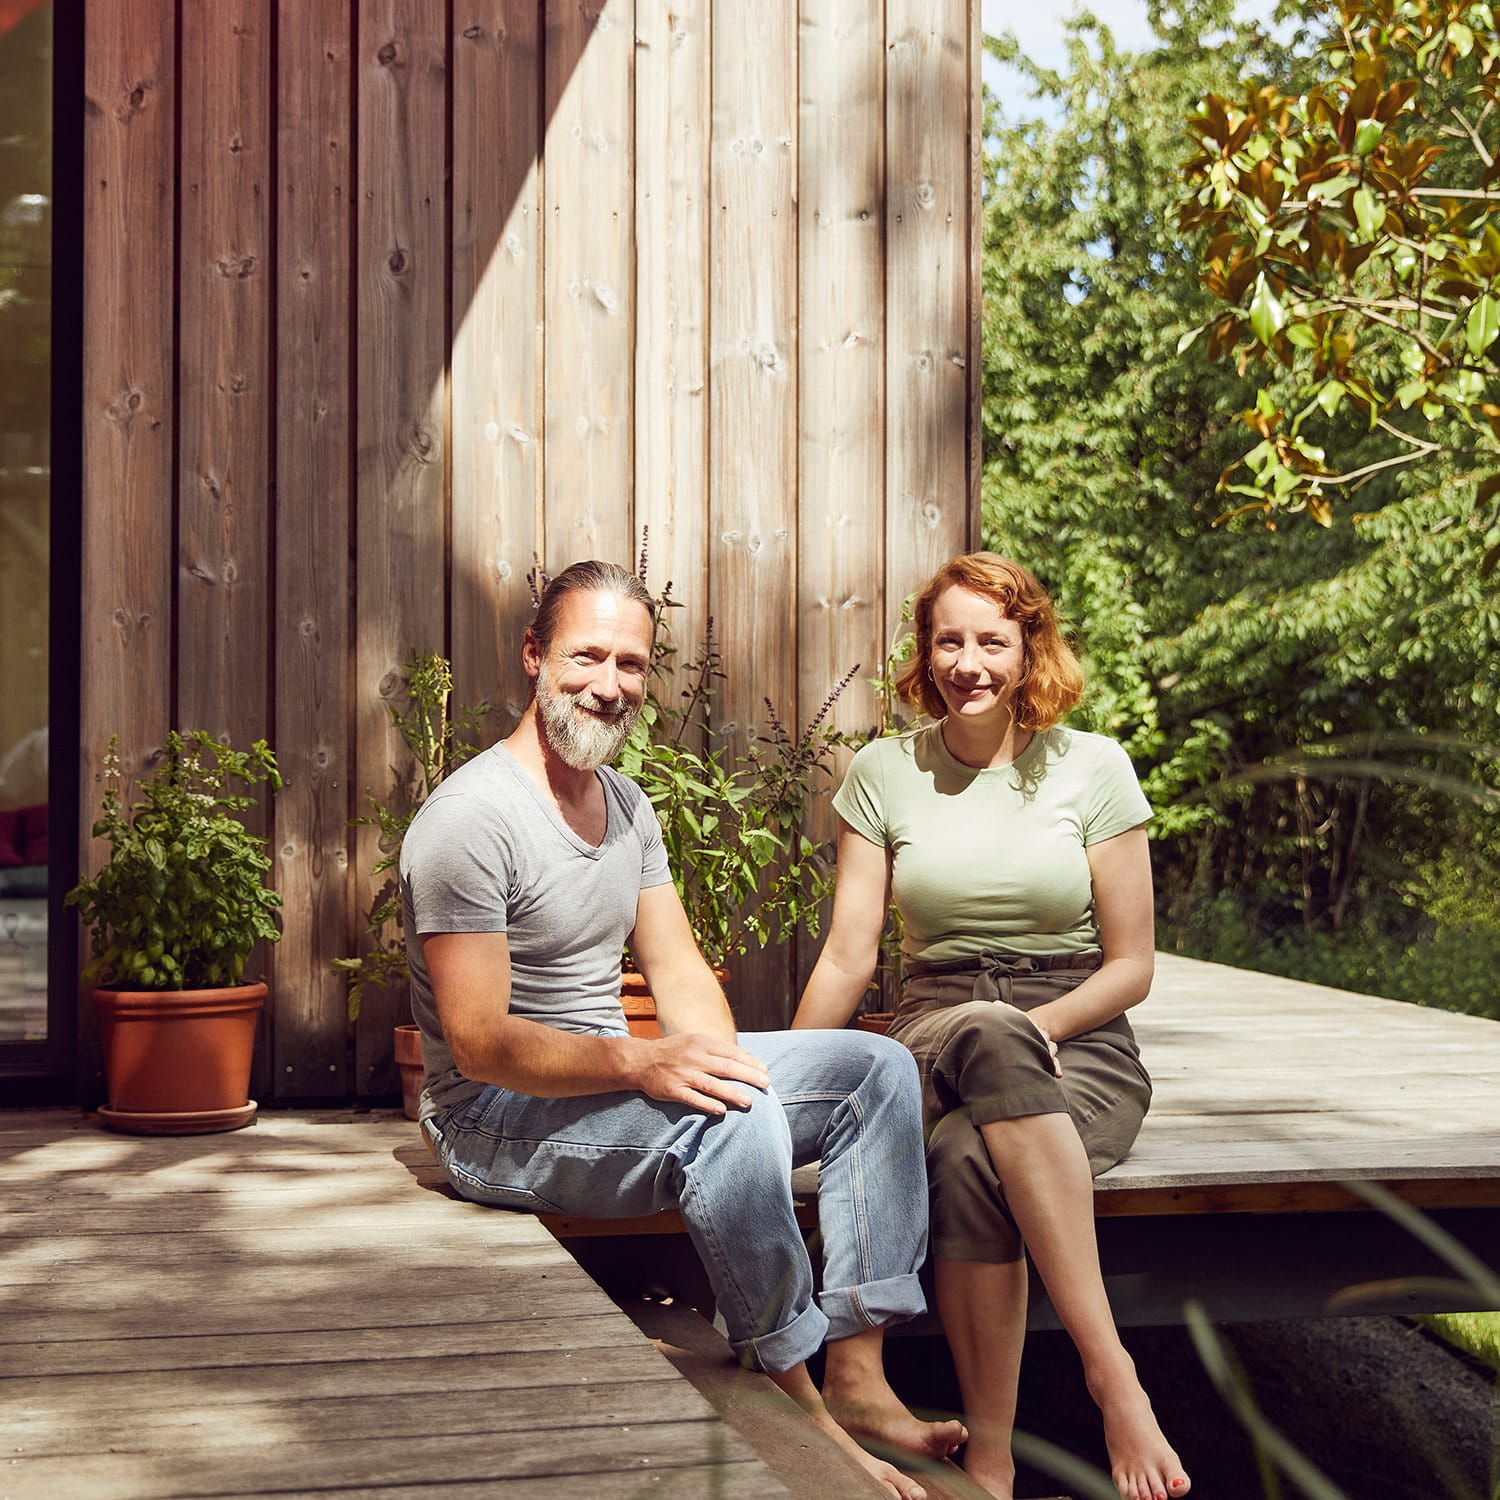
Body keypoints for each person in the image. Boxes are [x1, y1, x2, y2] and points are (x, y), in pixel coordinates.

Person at [400, 559, 965, 1500]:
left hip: (608, 1083)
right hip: (494, 1118)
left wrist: (711, 1060)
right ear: (534, 657)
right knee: (730, 1122)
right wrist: (650, 1064)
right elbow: (480, 1041)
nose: (608, 684)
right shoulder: (471, 820)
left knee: (875, 1069)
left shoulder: (626, 806)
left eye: (630, 663)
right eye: (586, 656)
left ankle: (859, 1372)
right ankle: (804, 1407)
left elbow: (680, 976)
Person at [793, 553, 1190, 1500]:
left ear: (1029, 650)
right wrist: (786, 1081)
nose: (969, 661)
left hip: (1081, 1037)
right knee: (981, 1029)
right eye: (949, 640)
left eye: (992, 640)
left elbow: (1131, 967)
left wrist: (1039, 1027)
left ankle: (992, 1459)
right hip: (935, 1025)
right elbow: (851, 957)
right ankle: (1114, 1377)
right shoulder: (882, 773)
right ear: (925, 655)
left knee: (971, 1158)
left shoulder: (1094, 767)